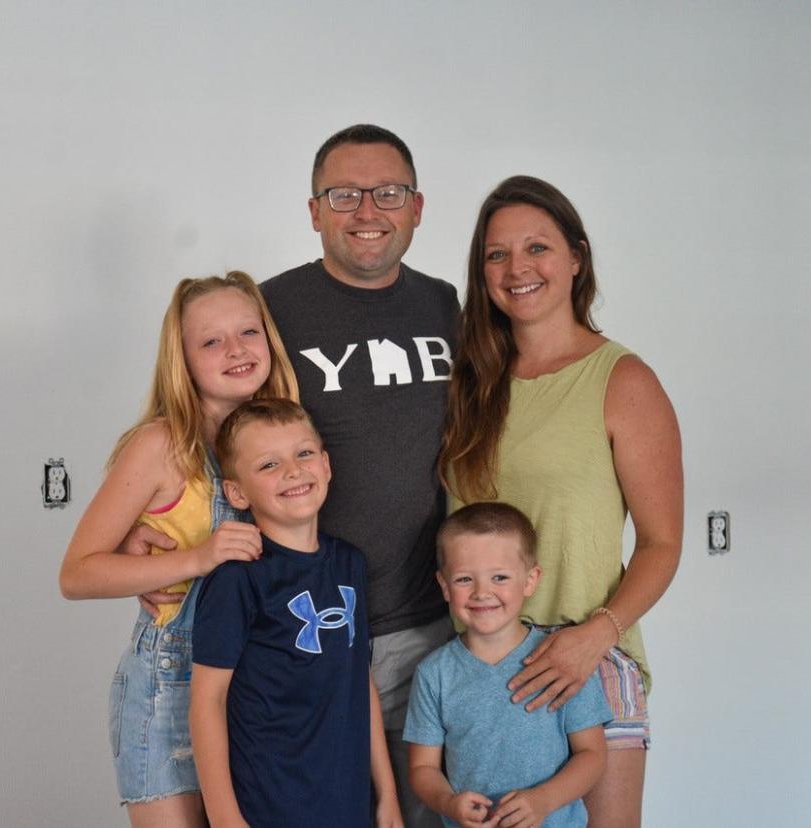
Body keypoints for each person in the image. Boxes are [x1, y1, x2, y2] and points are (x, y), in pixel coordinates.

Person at [131, 124, 458, 827]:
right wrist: (144, 529)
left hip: (426, 626)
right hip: (288, 630)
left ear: (418, 206)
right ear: (313, 211)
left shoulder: (446, 307)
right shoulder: (272, 311)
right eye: (343, 194)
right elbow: (199, 416)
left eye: (388, 192)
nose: (367, 210)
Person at [441, 176, 684, 828]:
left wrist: (592, 638)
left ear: (576, 257)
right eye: (497, 254)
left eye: (537, 248)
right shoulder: (468, 385)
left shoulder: (622, 380)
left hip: (588, 666)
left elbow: (662, 544)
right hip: (483, 669)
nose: (517, 268)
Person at [59, 272, 299, 827]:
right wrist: (195, 557)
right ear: (184, 360)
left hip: (253, 689)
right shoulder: (161, 446)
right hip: (170, 690)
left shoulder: (282, 439)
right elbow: (76, 574)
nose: (236, 350)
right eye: (211, 341)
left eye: (248, 332)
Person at [189, 398, 403, 828]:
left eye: (304, 453)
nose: (293, 470)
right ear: (236, 492)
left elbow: (361, 682)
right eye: (268, 465)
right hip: (269, 806)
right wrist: (226, 819)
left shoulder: (349, 565)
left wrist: (388, 797)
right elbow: (206, 703)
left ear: (325, 464)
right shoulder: (238, 580)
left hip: (347, 802)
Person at [406, 503, 612, 828]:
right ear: (444, 586)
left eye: (499, 577)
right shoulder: (434, 674)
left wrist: (544, 800)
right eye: (463, 579)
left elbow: (593, 756)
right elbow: (422, 769)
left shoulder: (561, 661)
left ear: (530, 580)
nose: (482, 592)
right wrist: (448, 802)